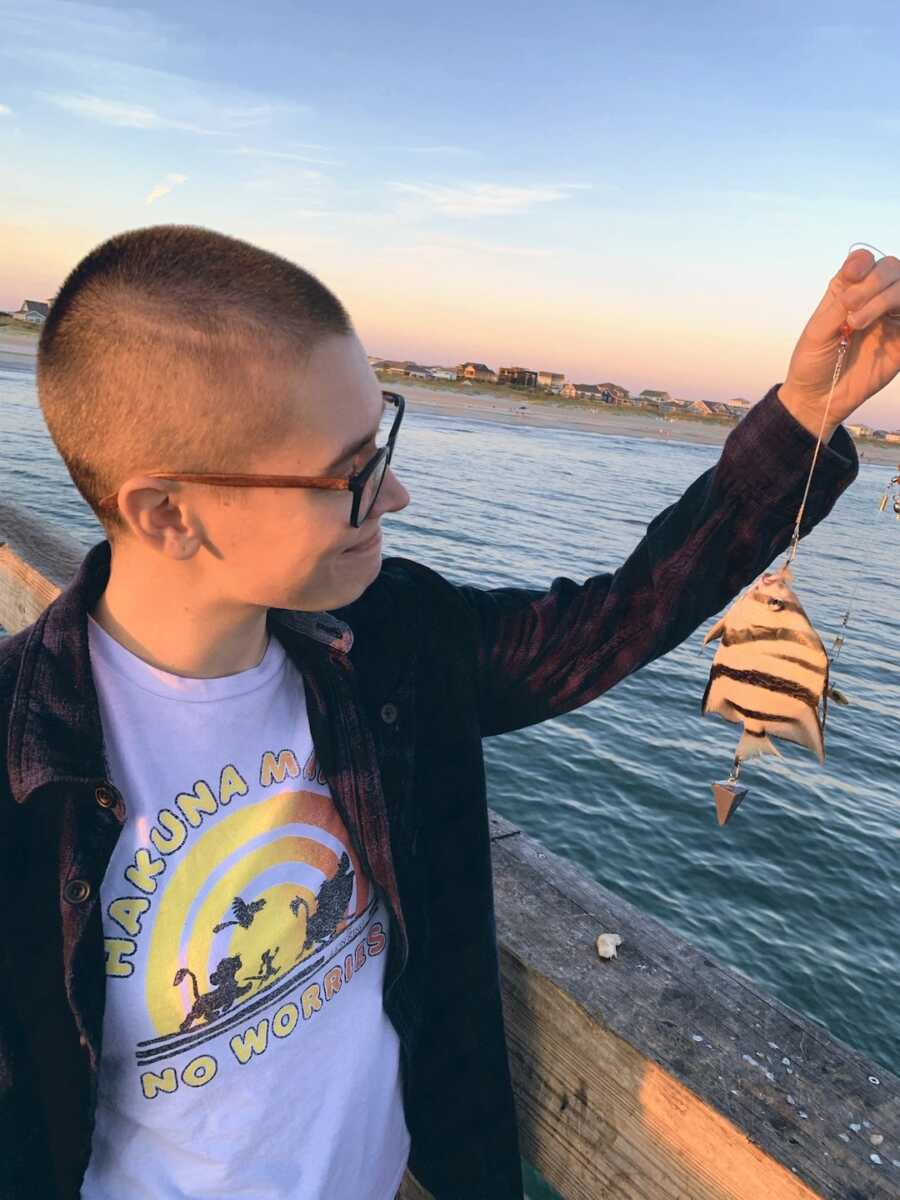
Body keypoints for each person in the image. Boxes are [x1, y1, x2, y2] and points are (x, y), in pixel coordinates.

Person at [0, 225, 897, 1200]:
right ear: (168, 513)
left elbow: (618, 617)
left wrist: (804, 414)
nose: (398, 491)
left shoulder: (392, 642)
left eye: (383, 436)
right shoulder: (22, 767)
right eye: (349, 477)